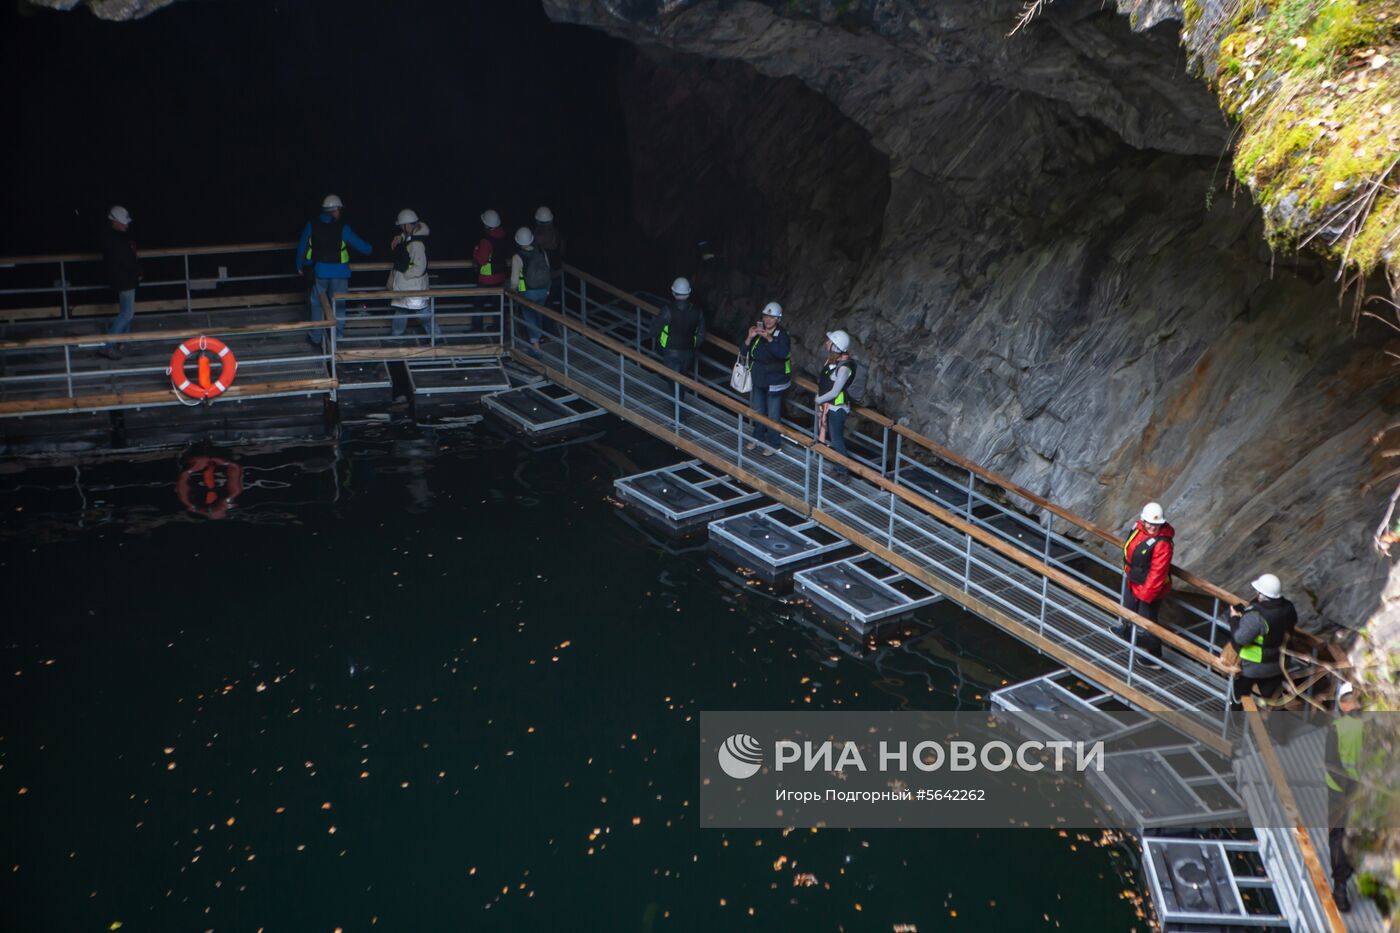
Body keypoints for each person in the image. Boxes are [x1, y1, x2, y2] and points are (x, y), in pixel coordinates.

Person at [295, 194, 372, 347]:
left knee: (316, 304)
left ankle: (316, 337)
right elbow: (364, 248)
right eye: (339, 210)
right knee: (339, 305)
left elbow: (302, 246)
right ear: (335, 210)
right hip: (340, 274)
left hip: (320, 272)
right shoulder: (343, 228)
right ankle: (337, 337)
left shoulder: (312, 224)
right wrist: (372, 248)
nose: (340, 213)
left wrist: (299, 265)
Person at [1113, 502, 1175, 665]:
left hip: (1149, 587)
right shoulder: (1139, 529)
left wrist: (1146, 595)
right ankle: (1126, 630)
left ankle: (1155, 655)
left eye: (1156, 524)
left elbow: (1157, 572)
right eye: (1150, 523)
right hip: (1134, 578)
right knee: (1128, 606)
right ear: (1143, 521)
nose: (1153, 527)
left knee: (1148, 620)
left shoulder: (1162, 544)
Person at [1227, 572, 1297, 706]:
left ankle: (1234, 723)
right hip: (1278, 662)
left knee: (1238, 696)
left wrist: (1234, 619)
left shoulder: (1256, 616)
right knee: (1273, 701)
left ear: (1261, 595)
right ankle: (1278, 725)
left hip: (1254, 665)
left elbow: (1241, 638)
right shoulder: (1288, 608)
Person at [1326, 681, 1363, 912]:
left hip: (1340, 791)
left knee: (1339, 836)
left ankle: (1340, 888)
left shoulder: (1337, 728)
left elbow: (1331, 762)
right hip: (1358, 790)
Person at [744, 301, 792, 456]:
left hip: (775, 380)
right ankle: (757, 438)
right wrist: (750, 338)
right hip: (759, 377)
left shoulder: (782, 335)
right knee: (758, 410)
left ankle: (774, 444)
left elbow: (783, 354)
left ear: (778, 319)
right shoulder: (758, 331)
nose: (768, 319)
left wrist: (770, 339)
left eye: (772, 317)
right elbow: (744, 350)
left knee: (773, 415)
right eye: (766, 316)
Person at [98, 205, 141, 359]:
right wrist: (138, 272)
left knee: (125, 312)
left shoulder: (111, 237)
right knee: (127, 314)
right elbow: (126, 260)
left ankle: (125, 344)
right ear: (114, 221)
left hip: (122, 279)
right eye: (123, 222)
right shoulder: (115, 239)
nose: (126, 225)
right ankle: (107, 345)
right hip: (125, 280)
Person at [388, 209, 436, 338]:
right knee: (402, 310)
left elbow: (419, 267)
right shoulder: (413, 237)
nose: (401, 229)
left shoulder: (416, 244)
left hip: (412, 285)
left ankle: (436, 338)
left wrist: (406, 275)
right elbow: (406, 238)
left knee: (421, 312)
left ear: (407, 225)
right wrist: (399, 238)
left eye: (402, 226)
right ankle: (397, 336)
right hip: (409, 285)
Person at [815, 329, 855, 478]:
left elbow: (835, 391)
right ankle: (838, 467)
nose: (827, 343)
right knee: (833, 438)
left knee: (837, 440)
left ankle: (843, 472)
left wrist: (818, 400)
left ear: (835, 346)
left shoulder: (844, 368)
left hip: (837, 408)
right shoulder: (834, 361)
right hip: (830, 406)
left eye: (830, 341)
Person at [647, 277, 705, 376]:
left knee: (674, 381)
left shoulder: (668, 311)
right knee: (681, 378)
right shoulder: (697, 311)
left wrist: (660, 342)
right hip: (689, 351)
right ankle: (679, 390)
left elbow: (653, 331)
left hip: (670, 351)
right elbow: (701, 334)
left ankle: (678, 391)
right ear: (689, 292)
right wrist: (693, 346)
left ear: (673, 292)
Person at [510, 227, 551, 357]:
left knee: (530, 318)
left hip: (528, 291)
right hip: (544, 290)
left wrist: (512, 291)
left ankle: (536, 348)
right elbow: (548, 269)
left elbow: (514, 281)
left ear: (517, 241)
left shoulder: (517, 257)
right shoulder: (541, 251)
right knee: (538, 315)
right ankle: (538, 339)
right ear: (532, 239)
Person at [532, 206, 565, 305]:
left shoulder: (537, 235)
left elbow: (533, 253)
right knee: (553, 303)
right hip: (558, 273)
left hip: (543, 276)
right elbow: (562, 251)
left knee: (544, 304)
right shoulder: (557, 233)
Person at [474, 209, 507, 287]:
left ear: (486, 224)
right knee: (498, 299)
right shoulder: (503, 237)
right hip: (501, 276)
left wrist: (476, 250)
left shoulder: (485, 241)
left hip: (487, 279)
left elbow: (482, 260)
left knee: (478, 298)